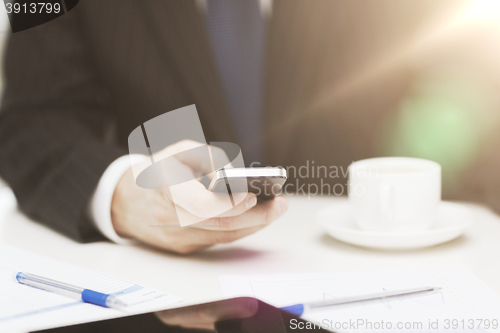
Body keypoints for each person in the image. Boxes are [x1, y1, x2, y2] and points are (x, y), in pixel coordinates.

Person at [1, 0, 499, 253]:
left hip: (376, 280)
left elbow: (474, 80)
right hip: (157, 292)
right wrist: (121, 196)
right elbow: (30, 118)